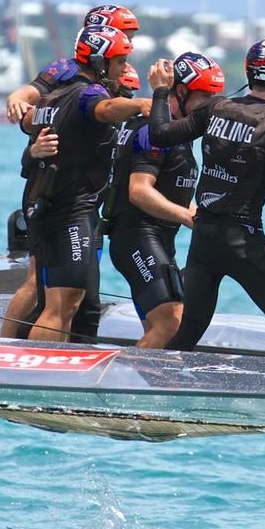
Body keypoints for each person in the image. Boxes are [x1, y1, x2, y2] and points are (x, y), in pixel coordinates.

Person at [147, 38, 265, 359]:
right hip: (243, 241)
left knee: (191, 326)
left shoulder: (214, 107)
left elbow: (160, 134)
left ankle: (154, 390)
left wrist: (161, 92)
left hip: (203, 237)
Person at [20, 25, 151, 342]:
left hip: (44, 207)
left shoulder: (53, 96)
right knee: (63, 304)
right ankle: (36, 373)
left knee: (57, 302)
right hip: (70, 212)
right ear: (98, 61)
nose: (122, 70)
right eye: (119, 62)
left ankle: (25, 359)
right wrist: (141, 105)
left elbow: (27, 120)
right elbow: (105, 109)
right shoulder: (89, 93)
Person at [104, 52, 223, 347]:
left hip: (159, 239)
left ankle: (145, 385)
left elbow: (172, 194)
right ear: (181, 91)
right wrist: (187, 217)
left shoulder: (176, 130)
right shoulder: (151, 130)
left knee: (165, 327)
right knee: (170, 323)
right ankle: (118, 386)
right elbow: (139, 191)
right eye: (204, 96)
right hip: (136, 237)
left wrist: (204, 218)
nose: (210, 105)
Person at [6, 4, 140, 123]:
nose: (129, 45)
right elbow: (29, 93)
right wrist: (16, 100)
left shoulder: (124, 72)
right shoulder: (66, 68)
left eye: (129, 39)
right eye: (125, 37)